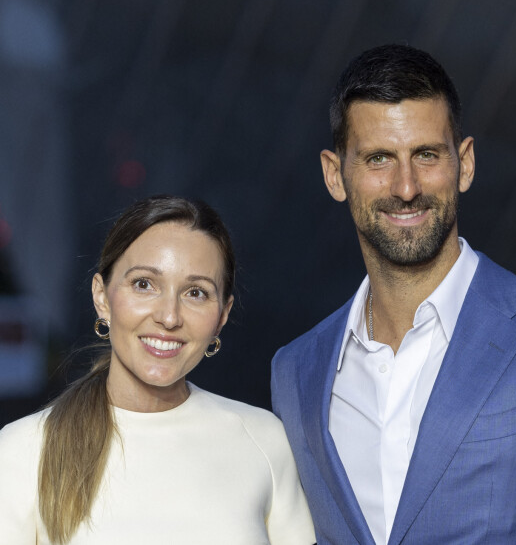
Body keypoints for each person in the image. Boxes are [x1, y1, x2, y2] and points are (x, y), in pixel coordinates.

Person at [271, 44, 516, 544]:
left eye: (427, 155)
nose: (407, 186)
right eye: (378, 159)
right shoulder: (295, 372)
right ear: (335, 175)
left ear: (465, 163)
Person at [0, 195, 315, 545]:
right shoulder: (22, 452)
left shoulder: (265, 440)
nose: (169, 317)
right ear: (102, 298)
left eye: (195, 292)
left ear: (222, 316)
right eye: (144, 284)